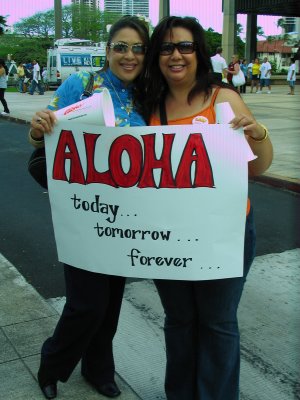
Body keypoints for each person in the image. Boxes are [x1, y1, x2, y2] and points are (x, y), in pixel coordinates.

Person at [141, 16, 273, 400]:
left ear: (199, 53)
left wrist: (258, 133)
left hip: (224, 230)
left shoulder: (223, 98)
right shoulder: (147, 103)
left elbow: (257, 166)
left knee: (216, 322)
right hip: (168, 234)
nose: (176, 55)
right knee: (179, 320)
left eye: (185, 46)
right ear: (156, 56)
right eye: (166, 48)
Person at [28, 16, 149, 399]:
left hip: (126, 215)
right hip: (85, 214)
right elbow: (41, 138)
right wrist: (38, 126)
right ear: (107, 50)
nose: (129, 56)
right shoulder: (82, 85)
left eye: (138, 48)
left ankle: (99, 370)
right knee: (87, 305)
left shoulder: (149, 94)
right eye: (121, 47)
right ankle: (52, 366)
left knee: (111, 302)